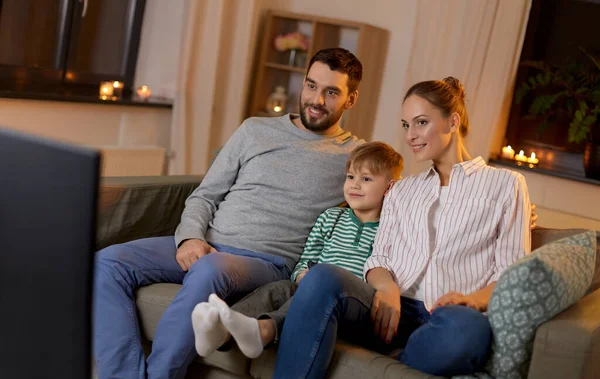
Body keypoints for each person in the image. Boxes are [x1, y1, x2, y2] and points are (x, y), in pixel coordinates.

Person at [92, 48, 364, 379]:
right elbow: (205, 194)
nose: (316, 99)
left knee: (209, 269)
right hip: (207, 243)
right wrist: (191, 236)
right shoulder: (254, 130)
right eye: (311, 85)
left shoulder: (355, 157)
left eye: (331, 92)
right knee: (105, 263)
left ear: (350, 100)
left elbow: (386, 202)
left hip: (267, 263)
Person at [272, 77, 532, 378]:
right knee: (322, 277)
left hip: (448, 315)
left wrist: (472, 300)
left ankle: (399, 360)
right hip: (388, 309)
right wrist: (387, 286)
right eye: (406, 125)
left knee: (469, 330)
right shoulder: (400, 190)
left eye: (421, 123)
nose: (410, 135)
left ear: (453, 122)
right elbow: (379, 256)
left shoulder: (506, 185)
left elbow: (512, 271)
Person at [190, 142, 403, 359]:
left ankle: (261, 330)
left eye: (366, 179)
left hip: (353, 308)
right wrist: (302, 276)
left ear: (389, 187)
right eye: (350, 177)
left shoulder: (390, 230)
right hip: (312, 288)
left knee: (307, 299)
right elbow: (306, 259)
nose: (354, 185)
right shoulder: (331, 218)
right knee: (280, 288)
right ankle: (224, 329)